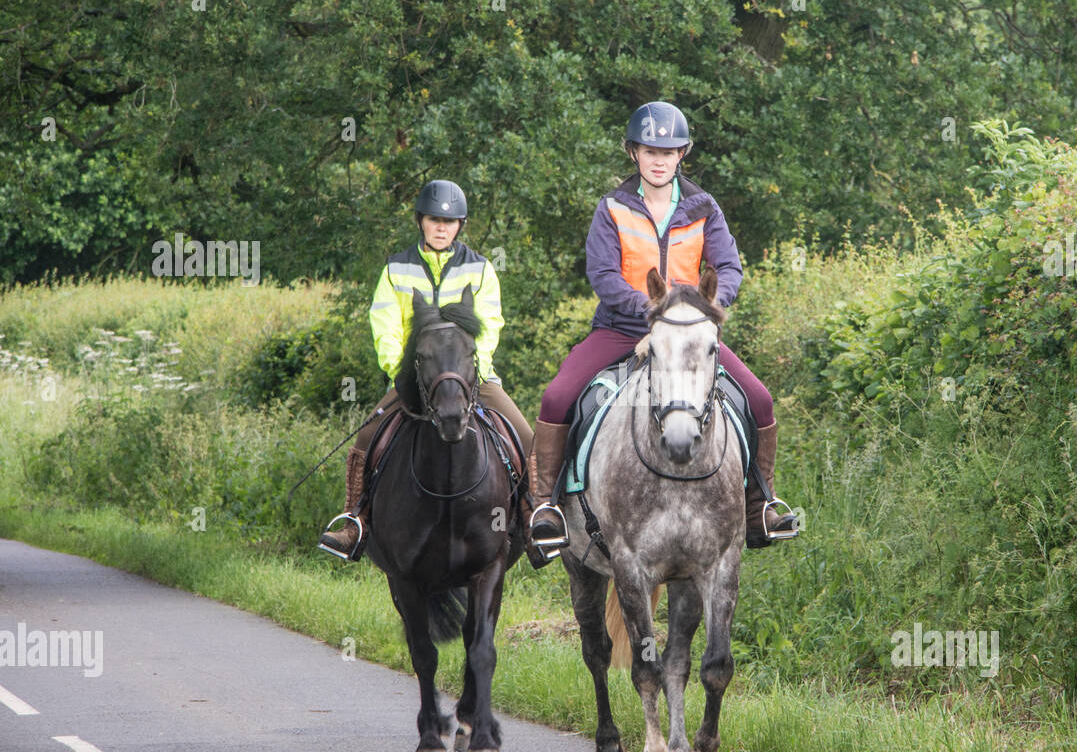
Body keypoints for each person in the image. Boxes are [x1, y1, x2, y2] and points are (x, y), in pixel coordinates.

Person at [528, 102, 799, 559]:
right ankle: (546, 510)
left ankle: (760, 505)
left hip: (687, 334)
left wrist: (705, 308)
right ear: (633, 153)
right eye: (650, 150)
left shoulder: (703, 206)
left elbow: (729, 266)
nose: (659, 159)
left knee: (760, 399)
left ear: (682, 155)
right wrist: (650, 308)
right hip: (620, 328)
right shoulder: (611, 207)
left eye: (669, 151)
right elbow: (603, 274)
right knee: (557, 397)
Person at [320, 179, 539, 562]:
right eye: (435, 220)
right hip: (415, 376)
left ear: (460, 226)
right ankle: (355, 520)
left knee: (525, 436)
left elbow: (489, 327)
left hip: (471, 377)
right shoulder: (396, 269)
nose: (442, 227)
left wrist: (474, 372)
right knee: (367, 437)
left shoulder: (481, 269)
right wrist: (400, 370)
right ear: (421, 221)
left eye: (450, 221)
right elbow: (385, 326)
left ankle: (534, 516)